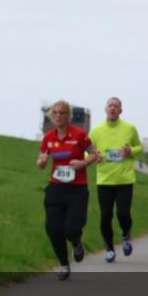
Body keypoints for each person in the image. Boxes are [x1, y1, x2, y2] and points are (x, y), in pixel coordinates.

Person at [37, 100, 100, 280]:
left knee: (71, 228)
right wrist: (41, 162)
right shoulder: (48, 137)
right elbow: (41, 161)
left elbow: (96, 154)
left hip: (77, 189)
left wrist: (83, 163)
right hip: (55, 188)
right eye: (55, 113)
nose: (58, 116)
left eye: (62, 113)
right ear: (51, 115)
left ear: (69, 116)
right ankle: (64, 264)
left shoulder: (80, 134)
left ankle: (77, 242)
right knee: (52, 229)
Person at [89, 97, 143, 262]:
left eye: (116, 106)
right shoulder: (96, 131)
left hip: (124, 180)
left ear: (121, 110)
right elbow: (87, 152)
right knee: (105, 216)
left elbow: (139, 147)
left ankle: (126, 235)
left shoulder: (130, 128)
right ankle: (109, 249)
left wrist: (130, 151)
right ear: (105, 109)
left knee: (123, 213)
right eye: (110, 106)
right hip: (104, 180)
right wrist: (93, 156)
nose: (112, 108)